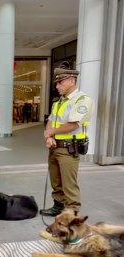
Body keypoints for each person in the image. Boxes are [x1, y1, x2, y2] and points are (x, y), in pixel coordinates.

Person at [40, 63, 94, 217]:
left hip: (69, 149)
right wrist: (49, 136)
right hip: (55, 146)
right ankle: (58, 206)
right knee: (55, 180)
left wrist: (50, 132)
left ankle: (72, 215)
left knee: (69, 184)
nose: (57, 86)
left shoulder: (82, 100)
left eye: (60, 82)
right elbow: (51, 120)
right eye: (57, 82)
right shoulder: (58, 102)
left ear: (71, 80)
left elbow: (72, 125)